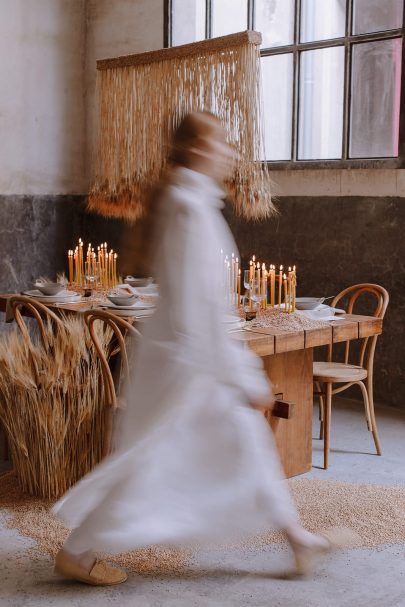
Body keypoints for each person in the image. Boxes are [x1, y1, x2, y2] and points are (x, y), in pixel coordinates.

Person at [53, 111, 336, 586]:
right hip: (190, 364)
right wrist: (244, 374)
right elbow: (200, 308)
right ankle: (78, 551)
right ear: (201, 150)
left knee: (244, 443)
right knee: (153, 461)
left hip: (187, 358)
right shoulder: (190, 210)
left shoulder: (189, 203)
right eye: (223, 143)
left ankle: (298, 539)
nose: (230, 153)